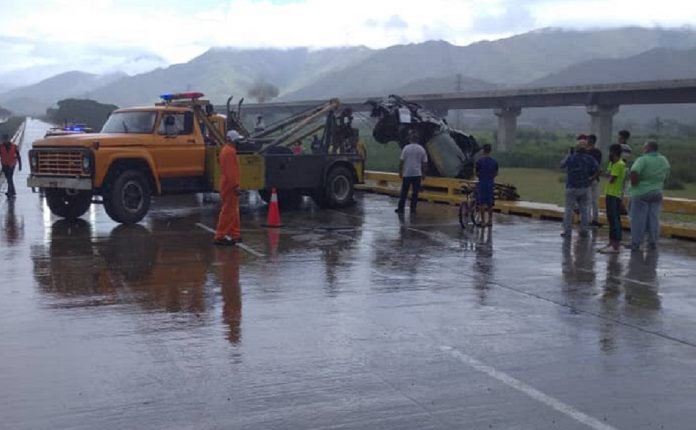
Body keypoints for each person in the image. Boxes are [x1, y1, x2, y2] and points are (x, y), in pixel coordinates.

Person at [628, 140, 670, 251]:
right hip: (657, 192)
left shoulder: (643, 159)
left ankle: (636, 243)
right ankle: (652, 242)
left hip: (641, 192)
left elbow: (634, 171)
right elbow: (666, 175)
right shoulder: (663, 160)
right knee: (653, 218)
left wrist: (634, 184)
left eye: (644, 147)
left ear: (647, 148)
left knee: (638, 219)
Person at [560, 135, 599, 238]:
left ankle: (567, 232)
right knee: (585, 210)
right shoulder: (590, 159)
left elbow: (562, 165)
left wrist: (568, 154)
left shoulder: (571, 157)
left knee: (569, 210)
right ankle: (584, 231)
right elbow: (598, 170)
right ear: (585, 148)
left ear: (576, 148)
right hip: (584, 187)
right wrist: (591, 178)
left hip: (571, 187)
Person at [214, 130, 243, 246]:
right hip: (230, 186)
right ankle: (220, 236)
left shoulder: (226, 150)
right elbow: (231, 173)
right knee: (228, 211)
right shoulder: (230, 152)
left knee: (233, 211)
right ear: (232, 140)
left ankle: (235, 234)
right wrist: (236, 186)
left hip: (227, 185)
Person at [598, 144, 626, 254]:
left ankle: (616, 245)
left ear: (614, 152)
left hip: (615, 195)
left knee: (615, 219)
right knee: (610, 218)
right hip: (609, 193)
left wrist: (608, 174)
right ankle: (611, 242)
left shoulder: (619, 164)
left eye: (610, 152)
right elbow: (607, 174)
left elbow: (611, 179)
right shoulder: (612, 163)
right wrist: (608, 174)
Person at [395, 131, 428, 214]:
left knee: (404, 192)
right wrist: (424, 173)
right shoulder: (421, 149)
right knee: (415, 193)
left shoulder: (406, 148)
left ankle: (400, 209)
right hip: (417, 174)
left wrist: (400, 171)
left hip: (407, 174)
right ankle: (413, 209)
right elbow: (424, 163)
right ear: (418, 140)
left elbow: (401, 161)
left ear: (410, 139)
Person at [475, 144, 499, 227]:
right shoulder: (494, 162)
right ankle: (490, 221)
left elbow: (477, 173)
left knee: (481, 203)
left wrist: (482, 176)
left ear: (483, 150)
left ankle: (482, 221)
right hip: (490, 184)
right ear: (490, 151)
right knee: (490, 204)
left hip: (482, 184)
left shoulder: (479, 162)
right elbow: (496, 173)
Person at [586, 134, 602, 226]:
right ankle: (595, 219)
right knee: (595, 201)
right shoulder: (598, 152)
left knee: (587, 200)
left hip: (587, 178)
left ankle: (588, 220)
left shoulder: (586, 152)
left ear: (589, 141)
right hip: (596, 178)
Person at [1, 134, 22, 198]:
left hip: (11, 165)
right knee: (8, 178)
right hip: (4, 165)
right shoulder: (1, 147)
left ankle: (10, 192)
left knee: (9, 178)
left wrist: (20, 165)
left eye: (7, 139)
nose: (6, 141)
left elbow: (18, 156)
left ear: (9, 139)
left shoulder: (14, 146)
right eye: (4, 140)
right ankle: (12, 191)